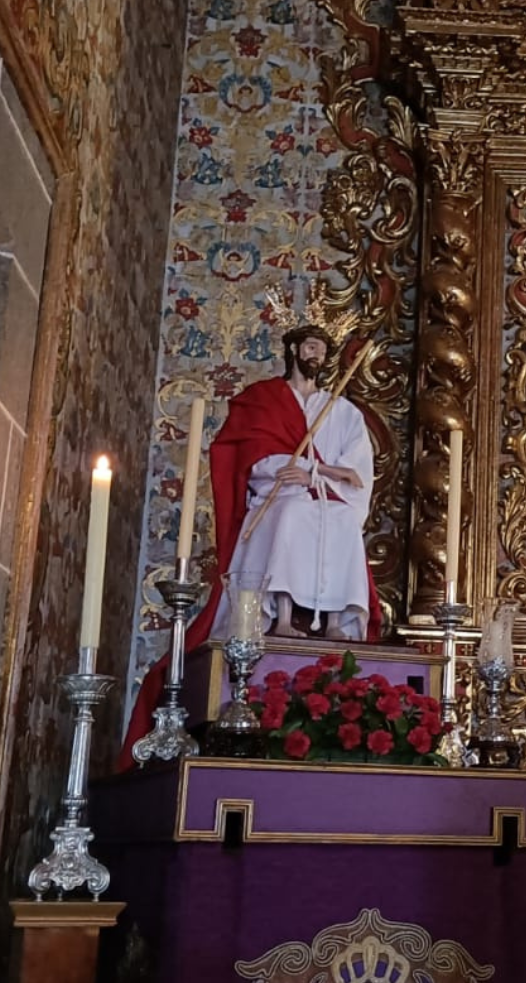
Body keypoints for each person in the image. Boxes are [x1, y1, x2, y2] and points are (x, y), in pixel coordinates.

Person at [122, 321, 379, 763]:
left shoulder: (342, 412)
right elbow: (252, 458)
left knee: (340, 522)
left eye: (321, 348)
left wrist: (316, 474)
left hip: (326, 496)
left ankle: (336, 622)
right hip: (278, 497)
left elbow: (356, 475)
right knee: (292, 512)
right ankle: (280, 614)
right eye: (309, 346)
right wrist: (291, 470)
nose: (315, 354)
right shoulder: (263, 399)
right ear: (293, 349)